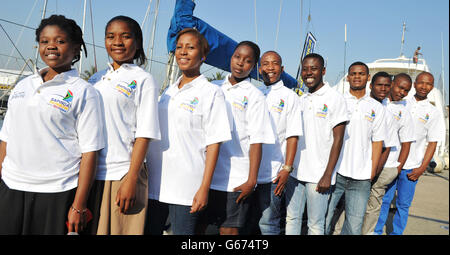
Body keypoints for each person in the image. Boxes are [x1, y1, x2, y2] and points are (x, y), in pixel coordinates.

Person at [0, 15, 104, 235]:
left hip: (57, 190)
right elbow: (6, 138)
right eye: (45, 41)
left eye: (60, 41)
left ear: (76, 49)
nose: (51, 46)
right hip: (11, 186)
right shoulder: (24, 85)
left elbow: (90, 152)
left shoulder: (84, 91)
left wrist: (79, 205)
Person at [146, 28, 231, 235]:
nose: (183, 52)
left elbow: (214, 143)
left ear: (203, 56)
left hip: (186, 187)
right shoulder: (168, 90)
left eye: (190, 47)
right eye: (179, 47)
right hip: (155, 184)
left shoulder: (211, 93)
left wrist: (204, 188)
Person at [87, 16, 160, 235]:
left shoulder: (143, 79)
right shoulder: (96, 78)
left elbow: (145, 132)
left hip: (123, 172)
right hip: (91, 173)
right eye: (111, 36)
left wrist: (132, 178)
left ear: (137, 43)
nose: (117, 41)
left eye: (125, 36)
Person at [205, 41, 275, 235]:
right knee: (200, 229)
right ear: (231, 57)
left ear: (254, 67)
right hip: (205, 175)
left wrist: (251, 180)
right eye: (237, 57)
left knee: (229, 232)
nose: (240, 63)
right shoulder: (212, 87)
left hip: (236, 177)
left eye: (247, 61)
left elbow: (256, 141)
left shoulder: (254, 96)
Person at [374, 71, 445, 235]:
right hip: (391, 163)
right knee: (384, 201)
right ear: (415, 84)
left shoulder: (433, 112)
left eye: (428, 84)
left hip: (412, 167)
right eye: (421, 82)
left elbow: (432, 143)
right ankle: (376, 231)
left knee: (403, 205)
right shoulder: (402, 103)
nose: (424, 86)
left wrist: (421, 168)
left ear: (432, 87)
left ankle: (396, 233)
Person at [284, 53, 348, 235]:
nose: (308, 73)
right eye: (305, 69)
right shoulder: (301, 99)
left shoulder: (335, 98)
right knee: (292, 219)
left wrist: (328, 174)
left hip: (318, 175)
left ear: (323, 71)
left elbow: (338, 139)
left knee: (315, 224)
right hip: (295, 173)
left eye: (314, 68)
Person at [325, 61, 387, 235]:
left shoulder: (376, 107)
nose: (357, 77)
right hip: (335, 172)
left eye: (361, 74)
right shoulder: (338, 100)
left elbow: (377, 142)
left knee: (353, 225)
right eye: (353, 73)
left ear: (368, 78)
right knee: (325, 218)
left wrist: (372, 172)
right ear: (348, 77)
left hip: (361, 177)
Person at [253, 51, 303, 235]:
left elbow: (293, 135)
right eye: (266, 63)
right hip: (248, 171)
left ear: (281, 69)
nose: (270, 67)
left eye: (275, 64)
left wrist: (287, 168)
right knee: (247, 222)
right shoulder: (255, 93)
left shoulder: (290, 97)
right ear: (259, 69)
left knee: (268, 223)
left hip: (273, 173)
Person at [361, 72, 415, 235]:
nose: (402, 93)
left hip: (387, 165)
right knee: (360, 201)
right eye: (400, 87)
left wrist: (397, 169)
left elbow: (406, 144)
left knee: (376, 204)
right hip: (365, 162)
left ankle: (372, 232)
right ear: (392, 84)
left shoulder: (403, 112)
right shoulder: (376, 102)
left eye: (406, 91)